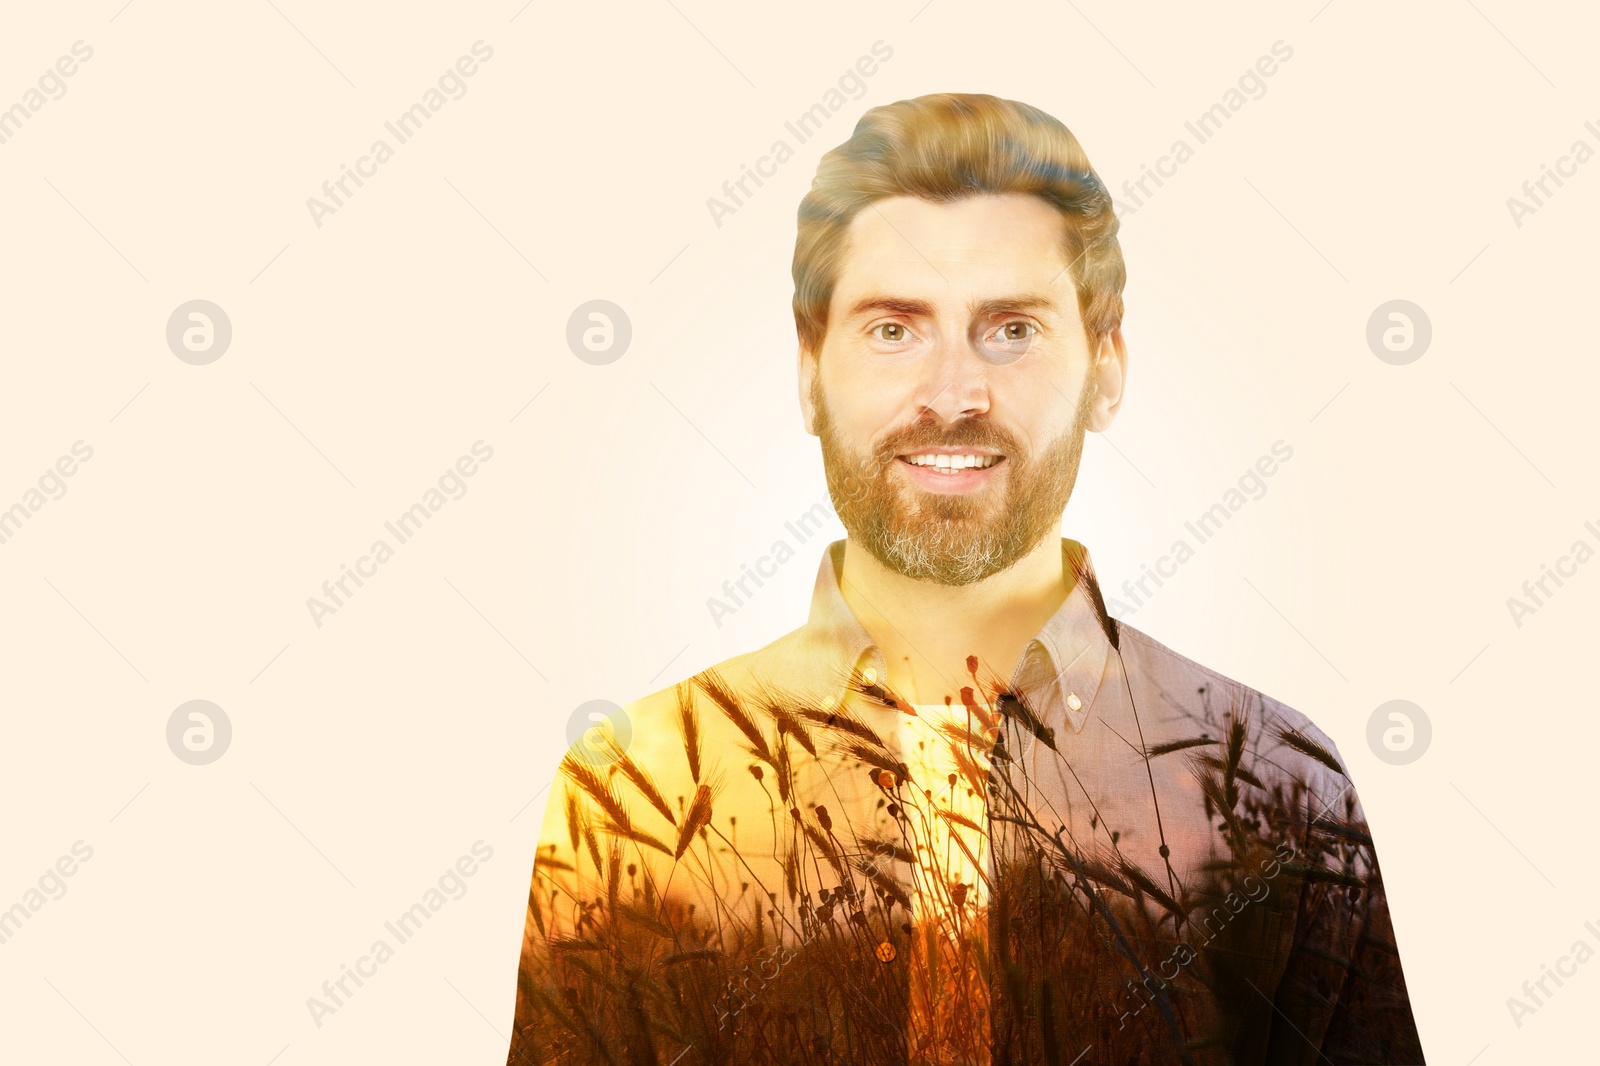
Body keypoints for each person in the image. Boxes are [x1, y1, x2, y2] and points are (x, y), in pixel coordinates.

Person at [504, 92, 1424, 1065]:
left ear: (1106, 367)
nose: (952, 394)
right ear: (809, 369)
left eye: (1011, 329)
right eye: (892, 330)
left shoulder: (1284, 792)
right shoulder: (635, 786)